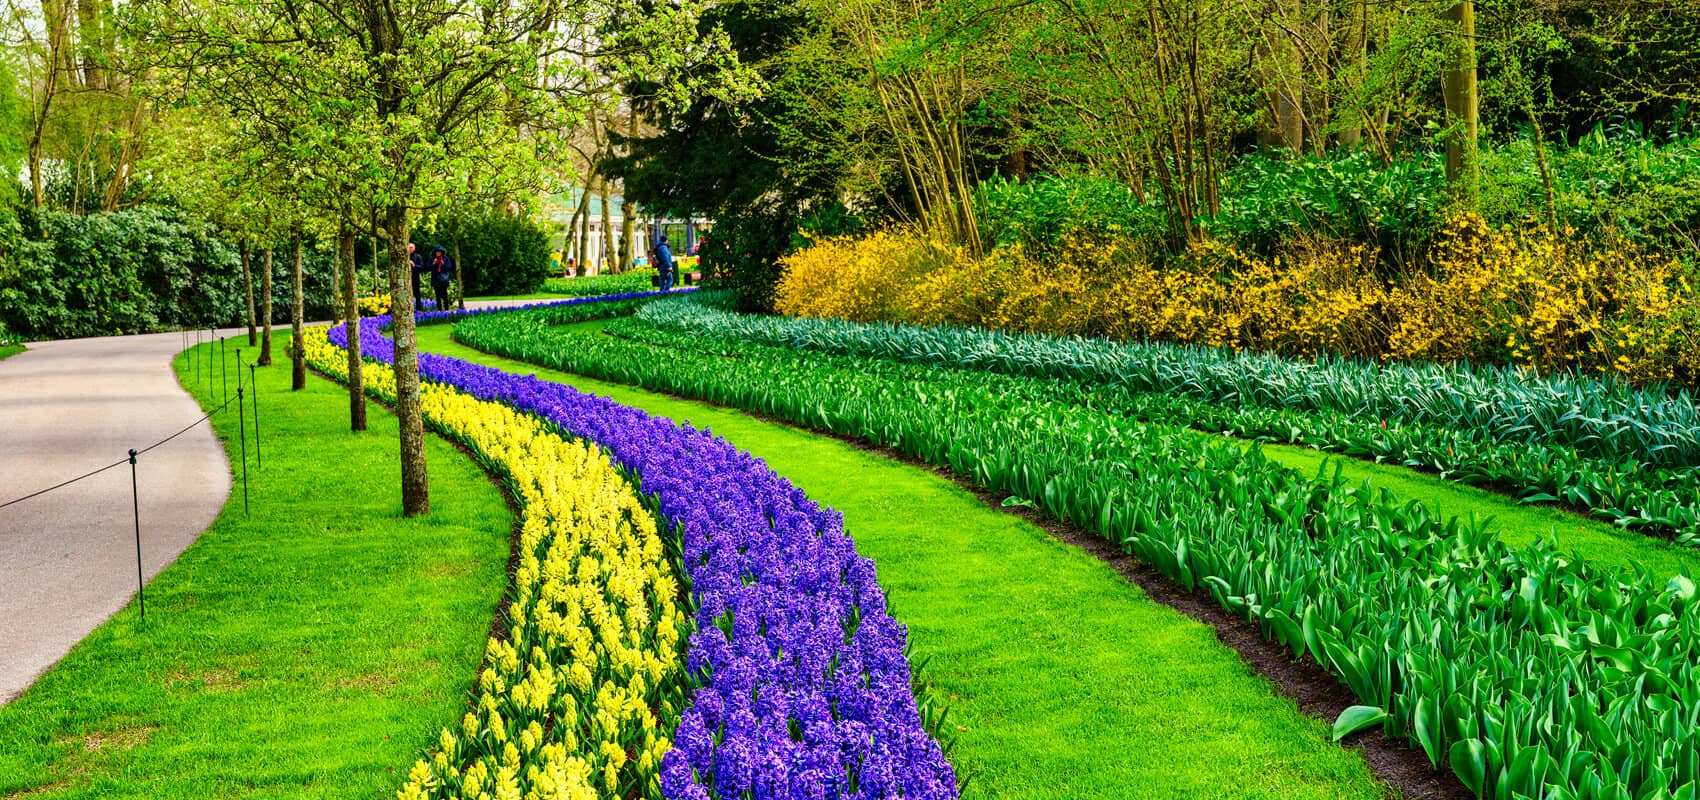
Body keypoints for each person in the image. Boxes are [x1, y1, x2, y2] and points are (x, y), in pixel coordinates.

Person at [429, 244, 453, 310]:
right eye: (437, 251)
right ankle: (439, 311)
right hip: (435, 280)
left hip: (443, 280)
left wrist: (443, 264)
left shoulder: (446, 258)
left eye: (439, 251)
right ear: (434, 252)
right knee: (438, 296)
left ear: (442, 252)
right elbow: (427, 267)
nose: (438, 253)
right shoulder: (432, 258)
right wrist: (433, 264)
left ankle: (446, 310)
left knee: (445, 296)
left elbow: (449, 267)